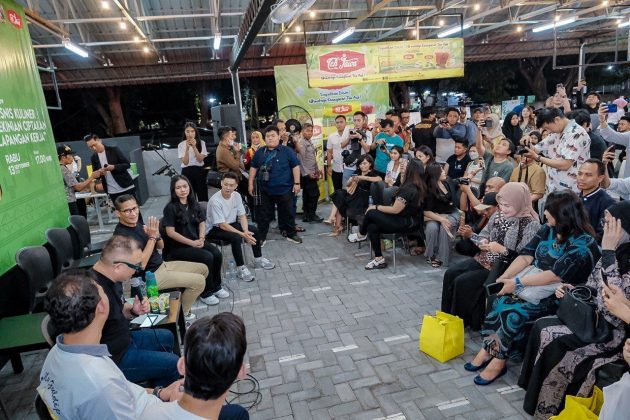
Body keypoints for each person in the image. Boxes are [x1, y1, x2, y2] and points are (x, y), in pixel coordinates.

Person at [466, 190, 600, 386]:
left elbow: (554, 275)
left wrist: (517, 283)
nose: (544, 213)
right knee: (499, 299)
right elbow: (526, 256)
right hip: (532, 284)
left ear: (561, 214)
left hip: (560, 294)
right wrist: (505, 277)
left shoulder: (583, 242)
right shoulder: (548, 229)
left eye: (548, 210)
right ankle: (490, 349)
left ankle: (499, 361)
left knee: (515, 311)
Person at [519, 202, 630, 418]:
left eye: (611, 224)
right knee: (542, 326)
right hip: (593, 316)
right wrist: (573, 289)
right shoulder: (614, 251)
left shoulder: (615, 253)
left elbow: (612, 299)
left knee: (556, 340)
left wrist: (608, 251)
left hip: (613, 332)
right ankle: (534, 394)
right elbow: (592, 284)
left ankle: (552, 406)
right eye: (605, 222)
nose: (605, 227)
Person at [37, 270, 182, 419]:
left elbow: (124, 390)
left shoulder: (56, 353)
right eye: (103, 291)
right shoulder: (101, 384)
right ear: (101, 305)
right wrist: (172, 407)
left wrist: (160, 393)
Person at [442, 182, 541, 330]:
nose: (503, 209)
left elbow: (524, 258)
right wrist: (481, 241)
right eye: (501, 205)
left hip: (504, 268)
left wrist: (501, 250)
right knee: (450, 273)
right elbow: (484, 235)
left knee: (462, 282)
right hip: (485, 258)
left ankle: (460, 324)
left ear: (519, 202)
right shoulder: (499, 215)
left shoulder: (531, 224)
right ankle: (446, 317)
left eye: (507, 205)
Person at [91, 236, 181, 386]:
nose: (138, 270)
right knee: (173, 363)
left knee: (167, 336)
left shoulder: (112, 278)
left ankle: (161, 378)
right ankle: (159, 394)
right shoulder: (93, 293)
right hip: (116, 359)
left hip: (126, 339)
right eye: (136, 266)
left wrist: (133, 310)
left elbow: (119, 308)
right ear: (118, 266)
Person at [139, 313, 250, 420]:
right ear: (241, 372)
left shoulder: (145, 409)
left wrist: (160, 393)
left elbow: (133, 393)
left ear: (181, 365)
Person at [113, 195, 206, 321]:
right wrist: (152, 237)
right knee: (199, 281)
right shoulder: (122, 236)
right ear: (118, 213)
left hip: (161, 265)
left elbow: (161, 246)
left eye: (135, 208)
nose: (133, 213)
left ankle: (179, 303)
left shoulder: (137, 224)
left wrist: (156, 234)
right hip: (149, 277)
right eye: (127, 211)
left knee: (203, 269)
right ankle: (181, 316)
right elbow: (141, 265)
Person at [162, 175, 227, 306]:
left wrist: (202, 238)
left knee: (216, 254)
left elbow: (202, 222)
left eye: (184, 186)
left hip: (196, 241)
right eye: (178, 188)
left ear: (189, 187)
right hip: (179, 247)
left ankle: (216, 286)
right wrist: (191, 243)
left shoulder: (193, 203)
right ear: (173, 190)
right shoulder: (170, 208)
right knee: (207, 257)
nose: (182, 190)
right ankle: (206, 292)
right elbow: (170, 232)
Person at [358, 158, 426, 270]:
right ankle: (379, 259)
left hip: (405, 223)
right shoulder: (417, 184)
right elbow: (402, 186)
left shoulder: (409, 188)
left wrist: (376, 207)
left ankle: (361, 234)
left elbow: (395, 210)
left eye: (407, 166)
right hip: (409, 221)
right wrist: (403, 173)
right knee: (372, 226)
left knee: (371, 213)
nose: (404, 167)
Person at [207, 172, 275, 282]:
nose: (228, 188)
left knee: (254, 230)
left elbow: (242, 215)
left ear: (236, 186)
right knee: (236, 237)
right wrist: (243, 234)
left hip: (230, 223)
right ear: (221, 183)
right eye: (226, 184)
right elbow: (222, 225)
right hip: (214, 229)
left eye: (231, 185)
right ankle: (240, 268)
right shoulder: (215, 201)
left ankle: (258, 259)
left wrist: (246, 231)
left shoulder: (237, 195)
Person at [248, 126, 302, 244]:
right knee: (263, 215)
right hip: (265, 190)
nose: (270, 138)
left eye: (273, 135)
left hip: (285, 189)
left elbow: (295, 166)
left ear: (278, 137)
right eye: (267, 136)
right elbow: (253, 167)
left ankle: (291, 234)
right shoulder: (260, 152)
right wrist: (250, 183)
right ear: (264, 138)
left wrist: (297, 183)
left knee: (288, 213)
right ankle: (261, 237)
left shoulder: (287, 151)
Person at [522, 107, 591, 193]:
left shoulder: (577, 133)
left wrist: (537, 157)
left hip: (571, 189)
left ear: (557, 120)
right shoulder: (556, 132)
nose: (548, 131)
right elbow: (536, 149)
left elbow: (565, 164)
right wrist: (527, 142)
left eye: (547, 128)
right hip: (555, 186)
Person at [331, 155, 382, 238]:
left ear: (370, 164)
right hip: (353, 195)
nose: (362, 166)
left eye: (365, 163)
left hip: (363, 198)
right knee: (339, 193)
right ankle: (333, 218)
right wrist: (350, 181)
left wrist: (362, 177)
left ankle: (337, 225)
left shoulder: (373, 172)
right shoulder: (357, 171)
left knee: (340, 200)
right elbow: (348, 185)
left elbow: (379, 179)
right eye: (361, 164)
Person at [423, 162, 460, 268]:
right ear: (434, 174)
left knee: (446, 226)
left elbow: (457, 181)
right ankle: (431, 254)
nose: (444, 172)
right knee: (432, 227)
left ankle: (442, 257)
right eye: (441, 171)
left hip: (451, 212)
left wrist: (470, 175)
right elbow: (425, 211)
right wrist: (440, 219)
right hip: (434, 214)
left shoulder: (447, 181)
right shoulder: (428, 189)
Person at [84, 134, 136, 203]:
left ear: (99, 141)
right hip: (111, 191)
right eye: (90, 147)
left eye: (94, 145)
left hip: (125, 186)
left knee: (133, 207)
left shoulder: (113, 150)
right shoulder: (94, 157)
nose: (94, 148)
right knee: (118, 209)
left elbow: (127, 164)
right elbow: (96, 174)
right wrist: (99, 172)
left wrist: (114, 167)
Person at [577, 159, 615, 240]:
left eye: (588, 175)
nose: (582, 178)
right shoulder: (574, 197)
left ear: (600, 178)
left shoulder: (607, 203)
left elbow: (602, 235)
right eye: (580, 174)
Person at [58, 144, 101, 215]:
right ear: (63, 157)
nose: (72, 157)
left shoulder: (60, 168)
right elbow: (78, 188)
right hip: (69, 203)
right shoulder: (63, 169)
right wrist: (92, 177)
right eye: (70, 155)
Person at [298, 123, 323, 223]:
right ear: (302, 131)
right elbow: (300, 159)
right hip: (307, 174)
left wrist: (317, 170)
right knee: (314, 194)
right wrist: (307, 173)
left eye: (311, 131)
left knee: (307, 195)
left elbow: (311, 158)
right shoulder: (302, 142)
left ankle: (306, 215)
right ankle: (311, 215)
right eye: (307, 130)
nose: (310, 133)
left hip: (311, 172)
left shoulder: (308, 141)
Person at [177, 122, 209, 202]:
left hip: (199, 170)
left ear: (195, 132)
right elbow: (185, 162)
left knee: (202, 194)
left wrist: (194, 147)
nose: (190, 134)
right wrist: (187, 149)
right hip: (186, 171)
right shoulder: (181, 145)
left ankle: (203, 209)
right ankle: (191, 209)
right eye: (187, 131)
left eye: (192, 131)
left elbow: (200, 159)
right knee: (189, 195)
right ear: (185, 132)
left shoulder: (201, 143)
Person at [342, 111, 372, 186]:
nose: (356, 123)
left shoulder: (367, 133)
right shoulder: (348, 130)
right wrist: (349, 137)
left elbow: (367, 150)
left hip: (362, 167)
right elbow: (342, 145)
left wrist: (360, 138)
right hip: (349, 166)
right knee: (347, 188)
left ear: (363, 121)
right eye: (354, 120)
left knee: (360, 188)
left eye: (359, 120)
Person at [216, 126, 248, 196]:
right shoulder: (223, 151)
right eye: (231, 135)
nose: (233, 137)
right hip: (230, 179)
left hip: (235, 176)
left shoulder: (228, 147)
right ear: (226, 137)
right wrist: (238, 152)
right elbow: (235, 166)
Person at [326, 115, 347, 192]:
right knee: (337, 190)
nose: (339, 124)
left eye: (341, 122)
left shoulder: (350, 135)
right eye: (337, 122)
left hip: (348, 168)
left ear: (345, 123)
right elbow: (329, 151)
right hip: (336, 168)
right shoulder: (331, 136)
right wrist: (329, 166)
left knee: (348, 190)